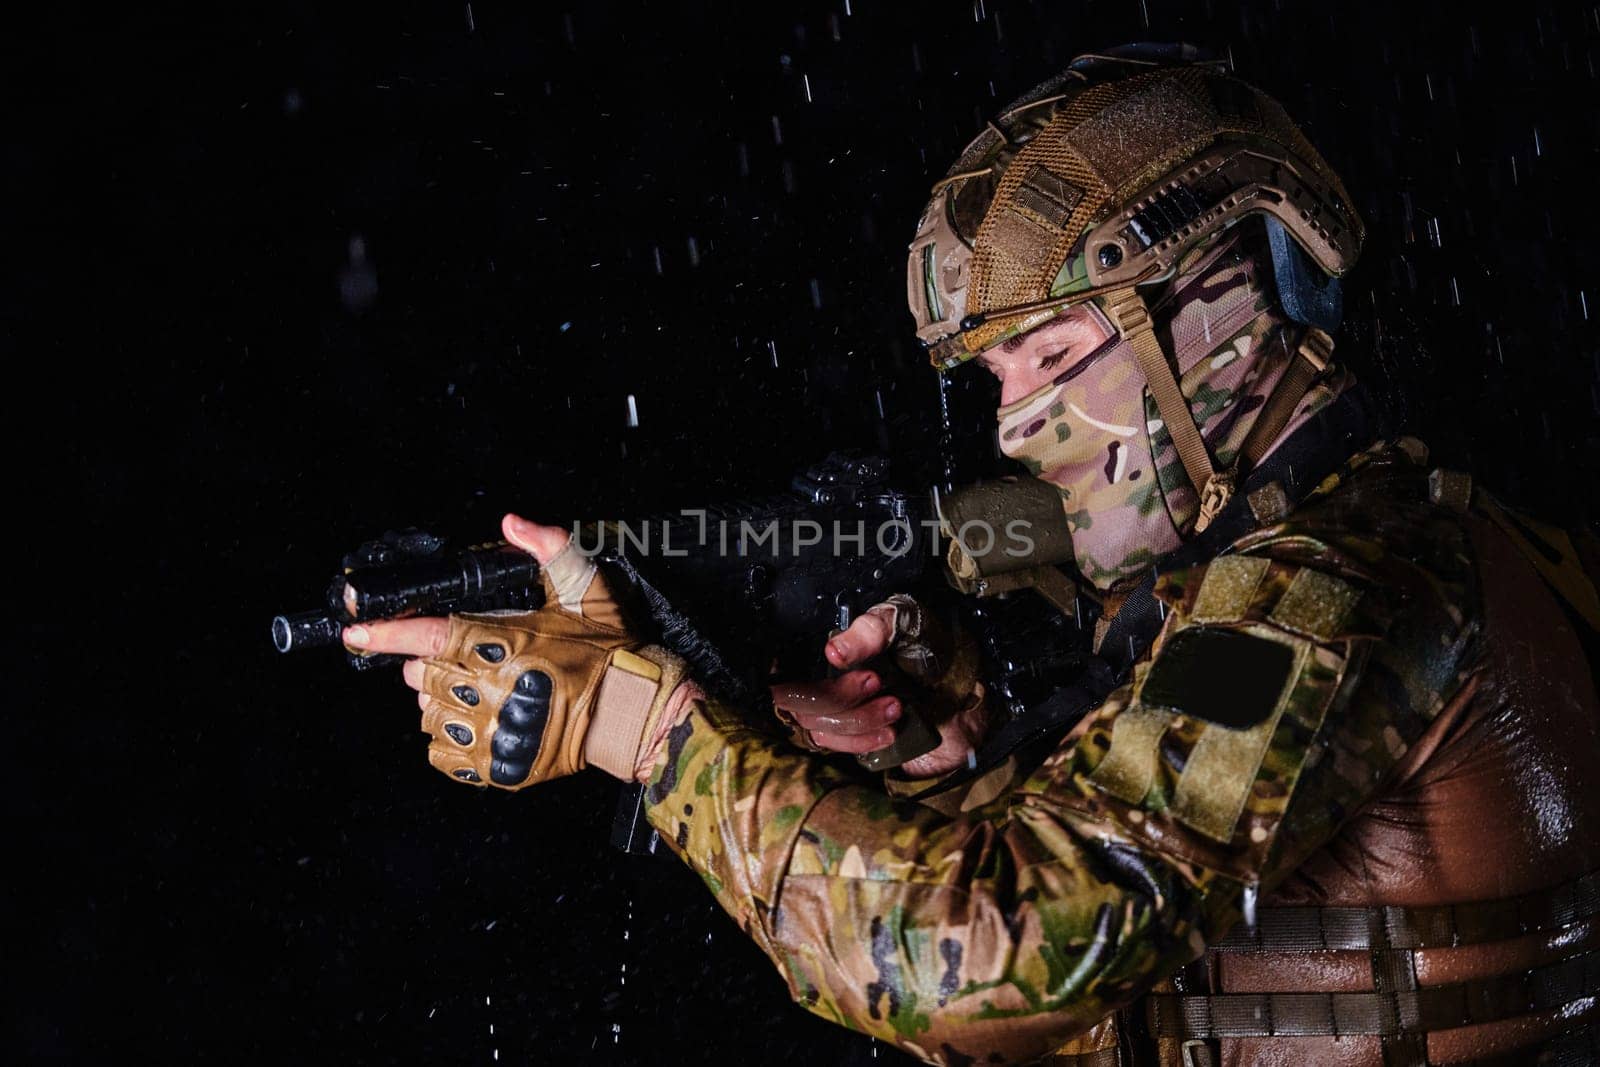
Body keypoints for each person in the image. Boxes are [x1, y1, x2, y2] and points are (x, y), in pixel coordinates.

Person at [344, 46, 1600, 1066]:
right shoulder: (1326, 545)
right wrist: (958, 749)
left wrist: (647, 726)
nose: (1014, 422)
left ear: (1230, 306)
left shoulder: (1337, 586)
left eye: (1055, 356)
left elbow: (992, 965)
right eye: (997, 376)